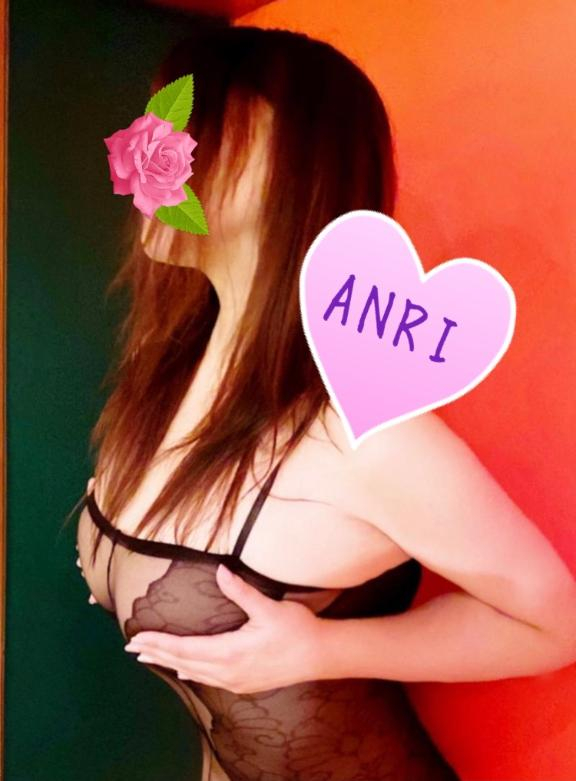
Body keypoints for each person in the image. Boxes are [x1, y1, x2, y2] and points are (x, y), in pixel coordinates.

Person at [71, 22, 576, 781]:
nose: (154, 147)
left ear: (296, 166)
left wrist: (324, 647)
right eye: (158, 118)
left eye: (193, 122)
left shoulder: (359, 435)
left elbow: (555, 623)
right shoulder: (164, 378)